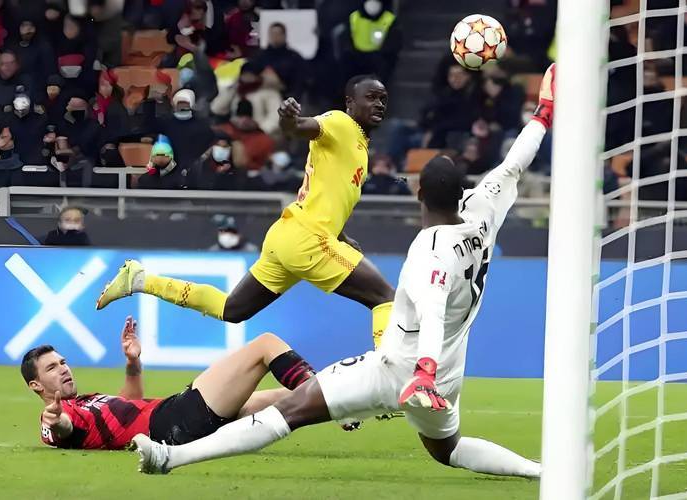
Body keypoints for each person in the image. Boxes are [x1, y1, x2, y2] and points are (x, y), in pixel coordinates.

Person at [131, 64, 556, 477]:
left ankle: (170, 457)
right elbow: (513, 164)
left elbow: (432, 310)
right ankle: (543, 472)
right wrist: (542, 115)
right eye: (372, 97)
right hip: (446, 375)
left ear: (419, 193)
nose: (380, 103)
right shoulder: (483, 213)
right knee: (451, 449)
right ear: (463, 191)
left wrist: (421, 373)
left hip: (399, 370)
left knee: (288, 411)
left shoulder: (430, 250)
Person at [97, 75, 396, 350]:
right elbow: (300, 128)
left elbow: (327, 195)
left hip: (289, 236)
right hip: (308, 239)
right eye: (371, 97)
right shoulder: (341, 123)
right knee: (385, 298)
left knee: (232, 309)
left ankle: (140, 280)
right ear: (350, 102)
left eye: (383, 98)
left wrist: (341, 236)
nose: (379, 104)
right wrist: (289, 120)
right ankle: (391, 373)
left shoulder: (358, 145)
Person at [23, 315, 318, 450]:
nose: (63, 369)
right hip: (173, 421)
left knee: (284, 398)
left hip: (175, 421)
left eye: (63, 362)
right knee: (265, 344)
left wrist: (132, 363)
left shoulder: (86, 402)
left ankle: (336, 399)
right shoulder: (61, 414)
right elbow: (63, 428)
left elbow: (129, 401)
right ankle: (334, 389)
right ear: (36, 385)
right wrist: (57, 420)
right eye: (52, 368)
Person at [342, 0, 401, 82]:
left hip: (379, 59)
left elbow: (393, 43)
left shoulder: (389, 19)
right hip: (356, 58)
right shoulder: (354, 17)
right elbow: (346, 39)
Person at [218, 99, 275, 171]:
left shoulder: (264, 141)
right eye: (240, 115)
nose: (244, 120)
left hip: (248, 175)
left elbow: (264, 167)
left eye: (247, 116)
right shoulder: (221, 131)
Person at [253, 22, 306, 98]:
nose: (275, 37)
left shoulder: (293, 57)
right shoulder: (260, 56)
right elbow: (251, 73)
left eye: (278, 34)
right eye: (272, 34)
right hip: (259, 91)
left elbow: (299, 81)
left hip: (282, 95)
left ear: (284, 35)